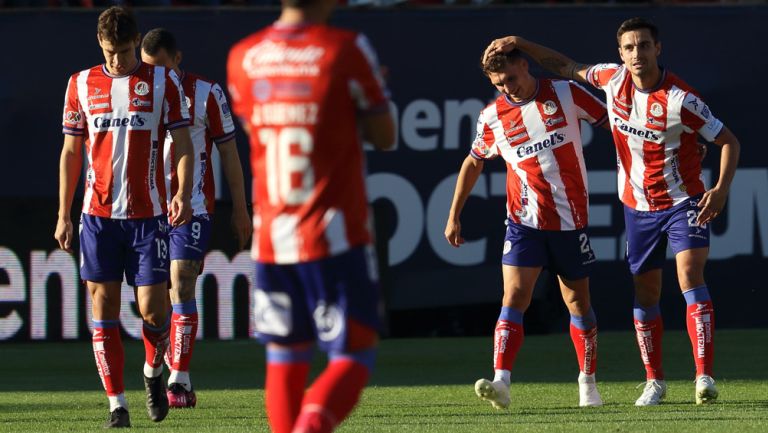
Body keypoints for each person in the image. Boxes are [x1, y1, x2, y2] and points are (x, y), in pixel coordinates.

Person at [484, 17, 741, 406]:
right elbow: (565, 66)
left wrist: (721, 189)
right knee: (645, 290)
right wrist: (522, 41)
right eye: (629, 47)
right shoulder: (611, 79)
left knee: (689, 272)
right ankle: (654, 381)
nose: (637, 54)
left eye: (644, 45)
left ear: (658, 48)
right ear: (621, 53)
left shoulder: (680, 98)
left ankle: (703, 376)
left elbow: (728, 140)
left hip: (683, 199)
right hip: (636, 205)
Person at [226, 0, 395, 431]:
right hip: (331, 235)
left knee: (285, 356)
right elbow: (385, 136)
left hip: (270, 241)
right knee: (355, 353)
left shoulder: (244, 56)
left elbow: (256, 130)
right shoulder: (345, 49)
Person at [54, 6, 195, 428]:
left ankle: (153, 372)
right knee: (104, 308)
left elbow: (184, 143)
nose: (116, 60)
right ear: (100, 45)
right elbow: (70, 152)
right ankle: (117, 405)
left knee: (153, 312)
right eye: (109, 51)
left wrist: (183, 194)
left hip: (147, 215)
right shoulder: (80, 84)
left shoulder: (162, 81)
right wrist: (63, 213)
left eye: (123, 51)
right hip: (96, 217)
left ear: (137, 43)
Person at [445, 48, 608, 410]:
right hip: (524, 224)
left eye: (511, 79)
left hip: (570, 222)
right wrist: (454, 213)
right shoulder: (492, 117)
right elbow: (474, 161)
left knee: (578, 302)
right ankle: (501, 381)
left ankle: (588, 384)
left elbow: (616, 124)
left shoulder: (566, 93)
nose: (508, 89)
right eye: (499, 84)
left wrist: (666, 147)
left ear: (525, 65)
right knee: (514, 296)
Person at [140, 28, 252, 409]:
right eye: (146, 66)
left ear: (177, 60)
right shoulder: (134, 93)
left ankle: (179, 381)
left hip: (195, 207)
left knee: (182, 278)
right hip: (146, 208)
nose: (152, 73)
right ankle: (169, 352)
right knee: (155, 299)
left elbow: (229, 154)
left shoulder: (206, 92)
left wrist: (240, 208)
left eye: (159, 66)